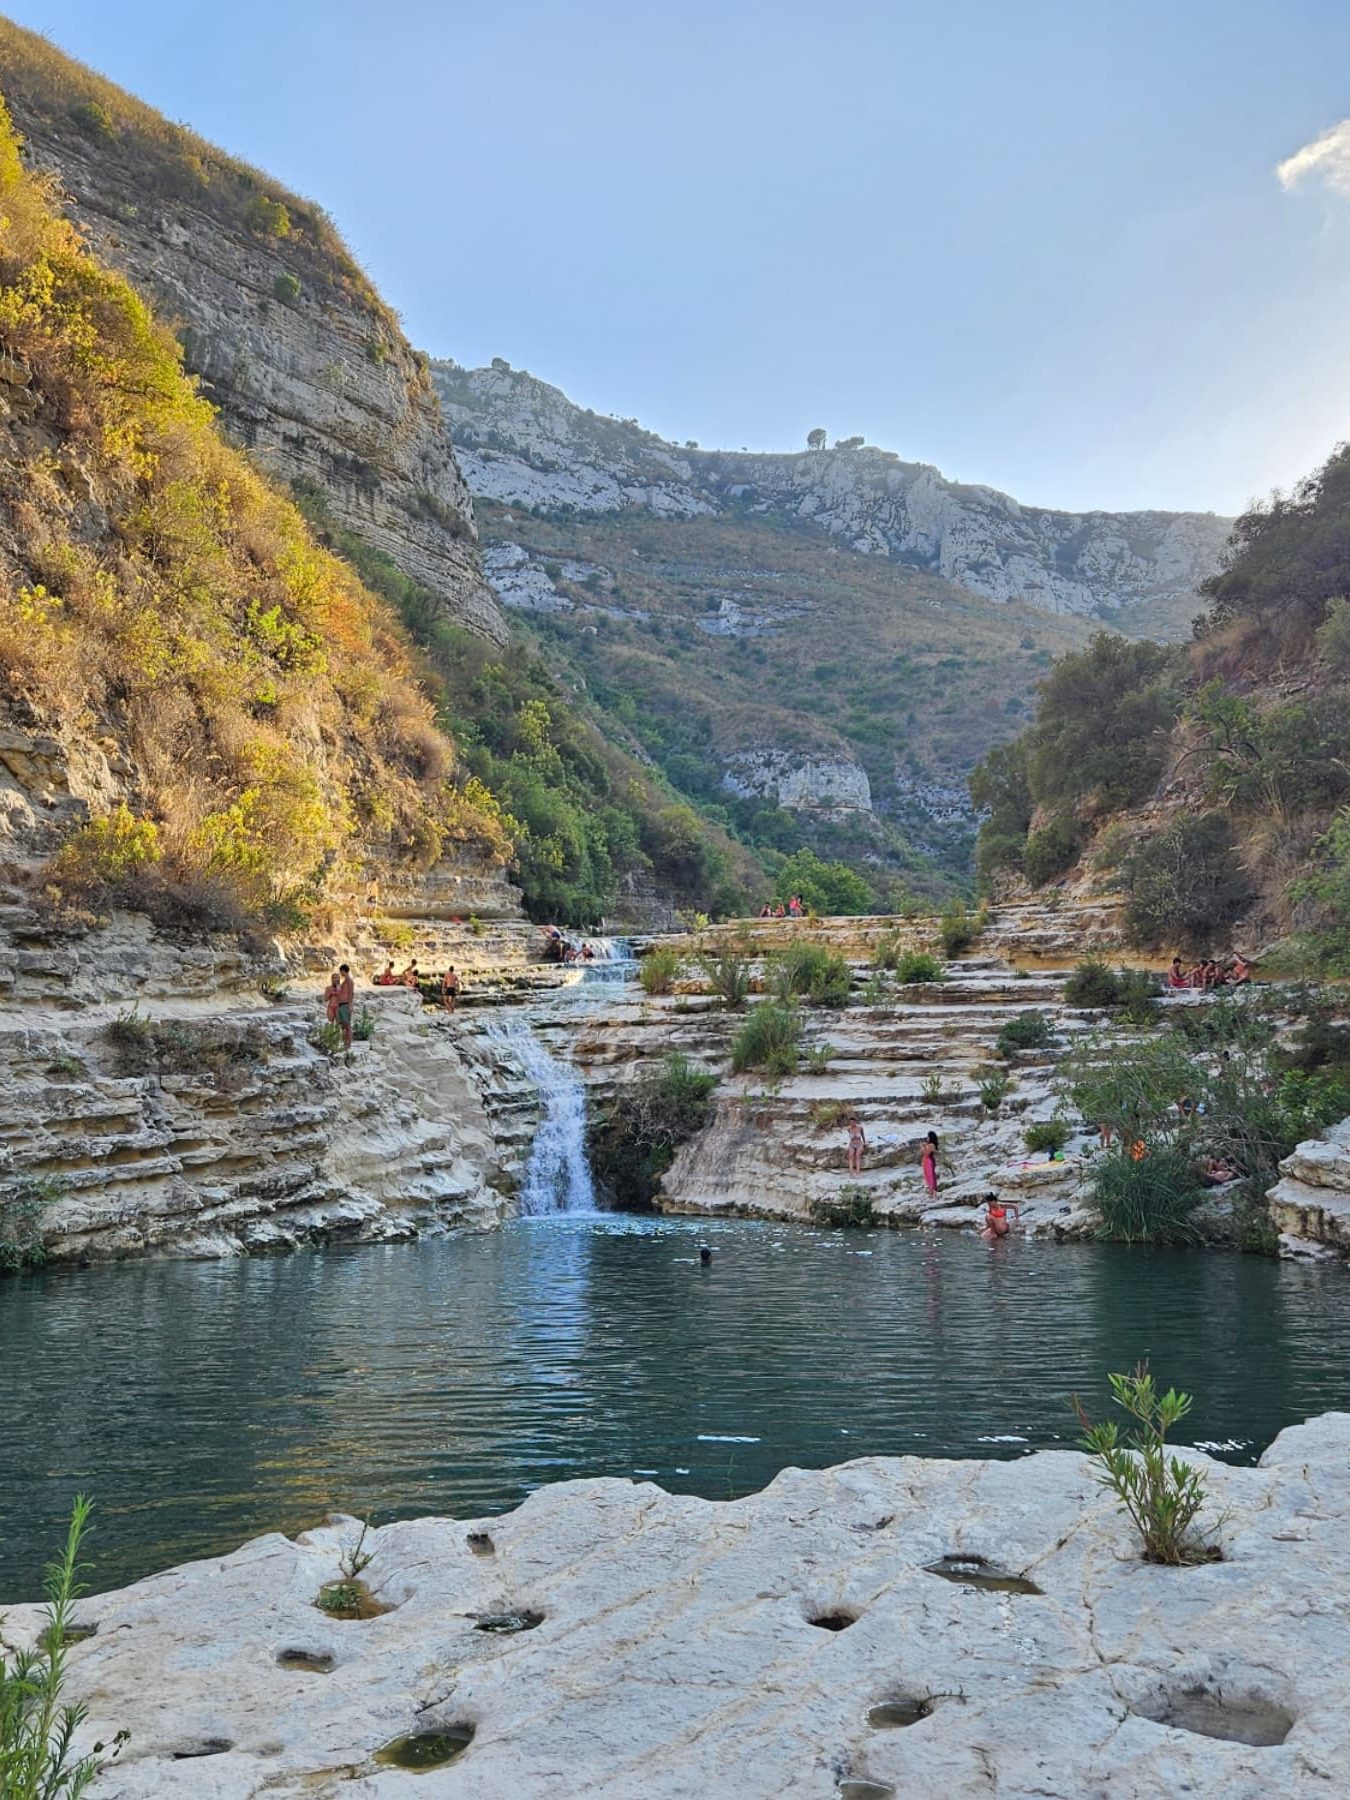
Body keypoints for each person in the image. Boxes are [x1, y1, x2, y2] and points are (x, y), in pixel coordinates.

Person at [335, 963, 355, 1052]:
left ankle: (349, 1044)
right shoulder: (344, 981)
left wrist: (350, 1005)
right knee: (343, 1025)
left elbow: (351, 993)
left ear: (343, 971)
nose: (340, 973)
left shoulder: (349, 981)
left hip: (346, 1004)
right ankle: (345, 1043)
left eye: (341, 971)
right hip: (341, 1004)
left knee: (347, 1025)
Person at [921, 1130, 940, 1197]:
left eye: (928, 1137)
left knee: (930, 1176)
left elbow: (926, 1153)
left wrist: (923, 1147)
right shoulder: (930, 1145)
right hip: (927, 1161)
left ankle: (932, 1191)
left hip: (928, 1161)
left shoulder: (931, 1145)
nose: (927, 1138)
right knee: (929, 1175)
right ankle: (932, 1191)